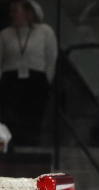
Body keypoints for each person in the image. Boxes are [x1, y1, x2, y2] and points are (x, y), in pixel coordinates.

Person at [0, 0, 57, 145]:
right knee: (11, 117)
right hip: (11, 80)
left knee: (33, 117)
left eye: (16, 11)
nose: (12, 14)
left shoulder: (45, 31)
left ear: (27, 12)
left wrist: (46, 80)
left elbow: (51, 58)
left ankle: (31, 145)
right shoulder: (5, 34)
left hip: (35, 80)